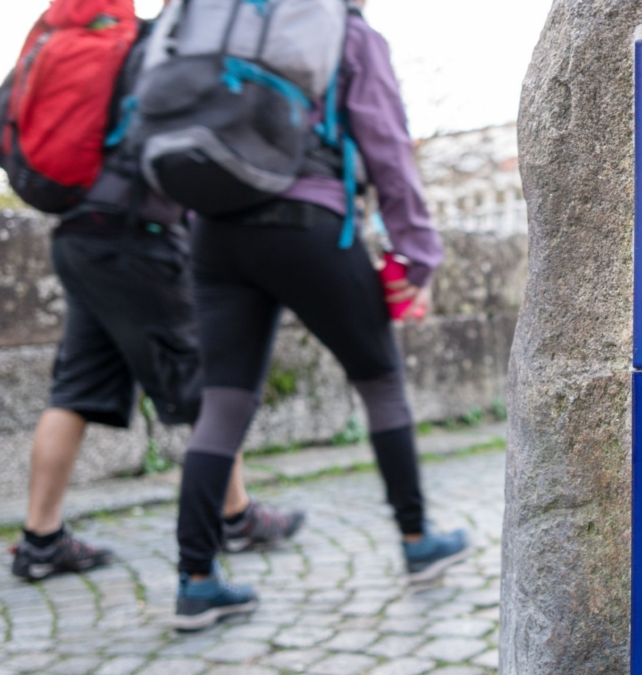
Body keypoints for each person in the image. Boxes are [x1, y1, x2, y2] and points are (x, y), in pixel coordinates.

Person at [172, 1, 469, 631]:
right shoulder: (346, 30)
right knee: (381, 383)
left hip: (214, 233)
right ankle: (417, 542)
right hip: (307, 222)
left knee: (223, 406)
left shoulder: (221, 25)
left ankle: (195, 580)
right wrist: (415, 252)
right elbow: (386, 144)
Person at [4, 1, 304, 583]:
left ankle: (40, 541)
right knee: (206, 383)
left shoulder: (49, 44)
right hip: (135, 236)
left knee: (75, 388)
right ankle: (235, 519)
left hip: (76, 236)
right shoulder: (143, 44)